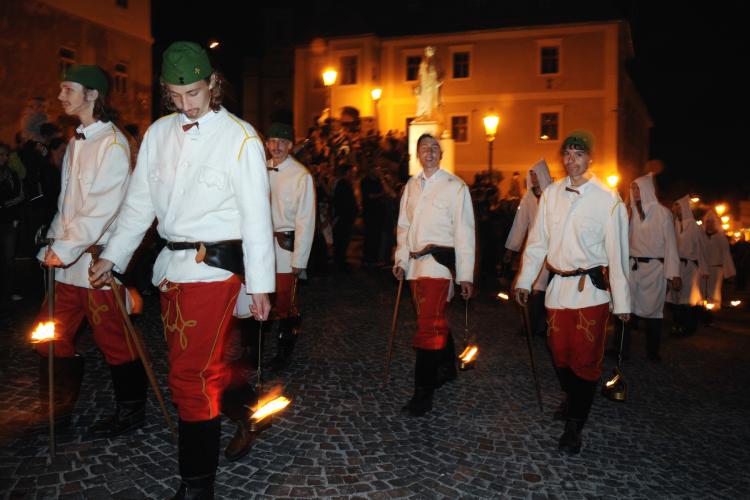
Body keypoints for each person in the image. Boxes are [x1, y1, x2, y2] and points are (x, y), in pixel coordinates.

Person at [89, 42, 274, 499]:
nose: (186, 104)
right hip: (171, 269)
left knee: (190, 376)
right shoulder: (157, 134)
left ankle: (197, 487)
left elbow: (256, 217)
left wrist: (262, 285)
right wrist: (113, 255)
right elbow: (138, 204)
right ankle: (242, 411)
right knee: (193, 371)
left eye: (193, 92)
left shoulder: (240, 137)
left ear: (213, 83)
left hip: (214, 271)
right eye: (176, 95)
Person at [32, 65, 147, 437]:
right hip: (67, 267)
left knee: (114, 341)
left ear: (93, 95)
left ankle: (130, 412)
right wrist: (52, 240)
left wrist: (64, 248)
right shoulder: (77, 141)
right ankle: (57, 412)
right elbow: (68, 205)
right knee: (49, 335)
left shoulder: (113, 143)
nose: (62, 95)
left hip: (95, 264)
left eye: (69, 89)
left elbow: (101, 207)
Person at [514, 130, 630, 454]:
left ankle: (575, 424)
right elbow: (537, 242)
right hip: (557, 290)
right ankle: (573, 396)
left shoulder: (607, 198)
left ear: (590, 158)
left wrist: (622, 301)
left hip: (590, 293)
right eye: (567, 153)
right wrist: (524, 280)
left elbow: (617, 252)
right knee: (560, 355)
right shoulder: (551, 194)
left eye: (578, 153)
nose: (571, 159)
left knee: (585, 361)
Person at [393, 133, 475, 417]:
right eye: (424, 148)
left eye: (434, 148)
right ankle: (447, 367)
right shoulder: (412, 186)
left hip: (439, 266)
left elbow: (465, 233)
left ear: (442, 154)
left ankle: (422, 392)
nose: (429, 152)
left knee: (428, 327)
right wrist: (401, 259)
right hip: (416, 267)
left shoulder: (455, 187)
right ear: (417, 154)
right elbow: (404, 226)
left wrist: (465, 275)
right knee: (432, 319)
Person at [234, 122, 315, 373]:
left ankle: (282, 354)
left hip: (284, 250)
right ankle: (252, 352)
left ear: (291, 146)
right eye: (272, 141)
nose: (276, 146)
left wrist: (299, 260)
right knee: (252, 298)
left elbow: (306, 220)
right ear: (266, 144)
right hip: (257, 248)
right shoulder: (258, 169)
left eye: (282, 142)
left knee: (283, 304)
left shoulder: (301, 176)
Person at [614, 174, 680, 362]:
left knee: (653, 312)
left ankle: (652, 352)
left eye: (637, 188)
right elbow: (625, 240)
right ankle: (620, 349)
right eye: (632, 188)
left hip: (654, 270)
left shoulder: (663, 213)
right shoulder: (632, 212)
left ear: (647, 190)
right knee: (624, 306)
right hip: (632, 268)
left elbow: (671, 245)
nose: (634, 192)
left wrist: (673, 273)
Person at [504, 159, 553, 337]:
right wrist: (511, 249)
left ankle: (544, 325)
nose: (533, 178)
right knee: (533, 286)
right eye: (530, 174)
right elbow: (520, 224)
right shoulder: (528, 197)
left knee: (546, 288)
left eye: (535, 174)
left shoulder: (553, 193)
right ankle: (532, 326)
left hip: (552, 249)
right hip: (534, 247)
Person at [666, 196, 708, 336]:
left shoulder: (695, 226)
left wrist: (704, 268)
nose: (676, 209)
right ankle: (678, 324)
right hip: (677, 266)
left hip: (690, 266)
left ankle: (689, 327)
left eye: (679, 206)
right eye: (675, 206)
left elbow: (701, 249)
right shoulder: (674, 224)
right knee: (675, 297)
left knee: (688, 297)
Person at [0, 142, 24, 307]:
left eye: (6, 155)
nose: (4, 158)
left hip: (8, 222)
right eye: (1, 155)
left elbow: (20, 196)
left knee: (9, 259)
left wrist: (6, 207)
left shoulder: (12, 174)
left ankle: (9, 292)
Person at [702, 211, 736, 311]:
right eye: (708, 222)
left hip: (716, 269)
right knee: (703, 291)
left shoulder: (720, 237)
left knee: (714, 291)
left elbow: (726, 254)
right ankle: (703, 311)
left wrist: (729, 271)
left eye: (712, 222)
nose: (709, 224)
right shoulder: (702, 236)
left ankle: (713, 311)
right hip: (704, 269)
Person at [332, 163, 357, 272]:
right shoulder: (343, 184)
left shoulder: (345, 184)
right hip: (343, 218)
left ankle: (341, 261)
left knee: (343, 241)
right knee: (341, 241)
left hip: (345, 218)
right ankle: (339, 263)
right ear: (347, 173)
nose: (353, 174)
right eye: (351, 172)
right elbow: (341, 202)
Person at [415, 46, 442, 121]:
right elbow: (420, 74)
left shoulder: (437, 62)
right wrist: (418, 85)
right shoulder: (423, 63)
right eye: (427, 50)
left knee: (431, 98)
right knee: (423, 99)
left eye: (430, 50)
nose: (428, 52)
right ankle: (423, 114)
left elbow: (443, 73)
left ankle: (430, 115)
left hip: (432, 82)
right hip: (424, 83)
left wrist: (440, 80)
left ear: (433, 51)